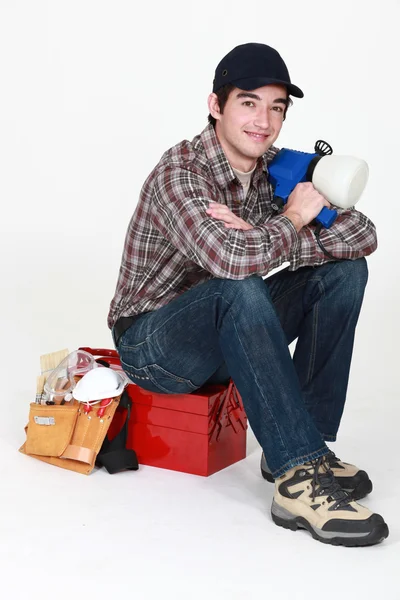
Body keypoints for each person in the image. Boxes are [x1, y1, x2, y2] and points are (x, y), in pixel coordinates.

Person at [108, 43, 388, 546]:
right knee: (236, 284)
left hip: (231, 331)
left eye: (276, 107)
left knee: (344, 274)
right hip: (154, 347)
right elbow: (232, 262)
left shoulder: (278, 170)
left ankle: (310, 444)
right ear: (217, 106)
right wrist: (294, 218)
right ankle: (296, 476)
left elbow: (363, 234)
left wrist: (276, 231)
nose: (264, 120)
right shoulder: (181, 172)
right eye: (249, 102)